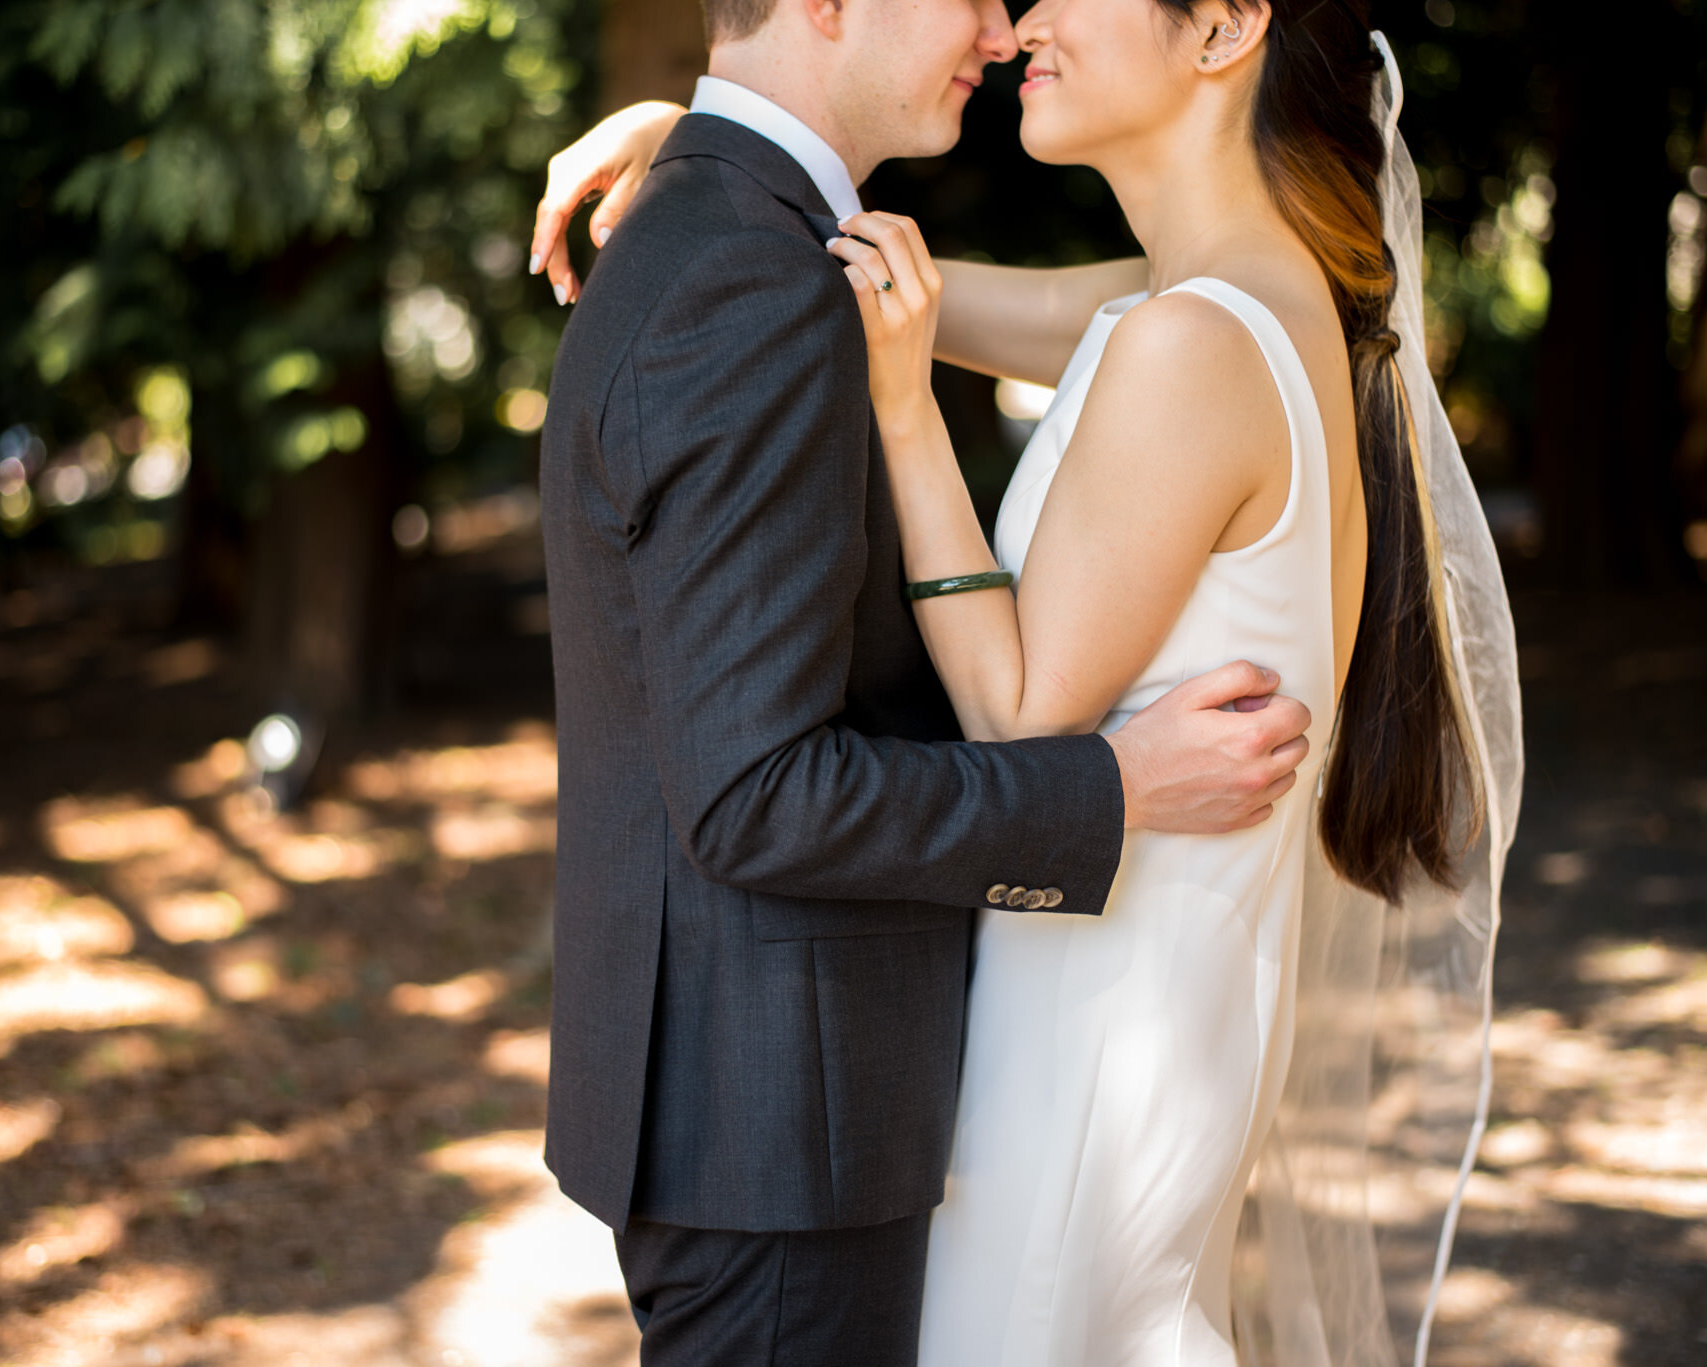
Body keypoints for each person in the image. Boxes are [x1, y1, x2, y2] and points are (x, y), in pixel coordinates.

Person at [532, 0, 1327, 1360]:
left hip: (784, 1109)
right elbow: (756, 796)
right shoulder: (747, 279)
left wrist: (716, 145)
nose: (1004, 22)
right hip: (783, 1127)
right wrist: (1114, 788)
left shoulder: (744, 249)